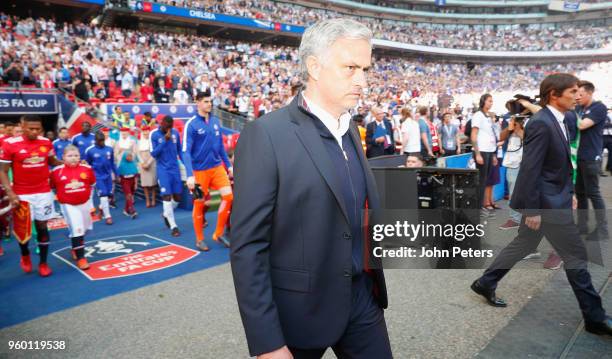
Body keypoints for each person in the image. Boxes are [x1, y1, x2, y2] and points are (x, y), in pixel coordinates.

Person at [231, 19, 391, 358]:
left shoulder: (349, 130)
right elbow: (248, 246)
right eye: (350, 68)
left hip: (361, 299)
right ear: (314, 67)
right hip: (298, 313)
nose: (362, 81)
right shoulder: (266, 135)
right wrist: (267, 343)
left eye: (365, 69)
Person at [471, 73, 612, 337]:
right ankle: (595, 317)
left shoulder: (564, 118)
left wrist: (568, 191)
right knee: (576, 256)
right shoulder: (541, 124)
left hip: (555, 197)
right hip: (546, 205)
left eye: (579, 91)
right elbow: (530, 169)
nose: (577, 95)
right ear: (554, 95)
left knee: (523, 244)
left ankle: (485, 282)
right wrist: (532, 210)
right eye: (572, 91)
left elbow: (558, 164)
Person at [0, 115, 62, 277]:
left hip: (44, 192)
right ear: (22, 125)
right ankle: (25, 255)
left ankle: (43, 262)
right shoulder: (9, 144)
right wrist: (10, 192)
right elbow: (2, 171)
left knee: (42, 226)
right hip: (22, 195)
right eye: (30, 128)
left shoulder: (45, 142)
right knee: (23, 230)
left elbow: (52, 161)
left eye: (38, 129)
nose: (35, 132)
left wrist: (70, 162)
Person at [183, 90, 233, 250]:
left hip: (217, 168)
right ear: (197, 103)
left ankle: (218, 234)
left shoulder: (216, 122)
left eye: (210, 101)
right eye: (205, 101)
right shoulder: (191, 125)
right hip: (199, 172)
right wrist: (190, 175)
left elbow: (220, 148)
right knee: (199, 203)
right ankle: (199, 239)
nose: (209, 104)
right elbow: (185, 151)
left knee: (229, 197)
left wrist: (229, 166)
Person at [50, 145, 95, 270]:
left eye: (76, 155)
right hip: (68, 205)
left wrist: (90, 203)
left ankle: (75, 248)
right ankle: (81, 258)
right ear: (63, 157)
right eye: (70, 156)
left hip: (84, 203)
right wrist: (59, 197)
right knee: (77, 229)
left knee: (85, 229)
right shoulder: (56, 171)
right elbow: (52, 186)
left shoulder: (87, 168)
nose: (73, 158)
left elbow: (91, 183)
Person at [574, 80, 609, 241]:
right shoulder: (579, 108)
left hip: (591, 157)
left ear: (589, 93)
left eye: (580, 94)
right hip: (579, 156)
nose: (577, 97)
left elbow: (581, 125)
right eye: (576, 94)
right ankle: (582, 225)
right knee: (580, 193)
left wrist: (568, 114)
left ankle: (602, 230)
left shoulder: (599, 107)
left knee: (593, 193)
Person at [150, 116, 183, 237]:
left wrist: (186, 165)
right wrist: (164, 141)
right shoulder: (154, 134)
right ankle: (174, 226)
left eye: (171, 127)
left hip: (175, 169)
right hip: (163, 170)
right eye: (167, 126)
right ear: (162, 123)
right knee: (167, 197)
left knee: (178, 197)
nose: (169, 129)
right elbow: (153, 153)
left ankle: (166, 214)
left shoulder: (175, 133)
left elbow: (180, 150)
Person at [471, 94, 498, 218]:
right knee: (480, 182)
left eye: (492, 101)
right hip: (481, 151)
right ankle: (477, 208)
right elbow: (474, 134)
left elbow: (491, 136)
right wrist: (477, 153)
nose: (491, 103)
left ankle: (481, 207)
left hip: (488, 151)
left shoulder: (487, 116)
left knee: (484, 181)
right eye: (489, 101)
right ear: (483, 102)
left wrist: (492, 154)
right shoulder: (478, 115)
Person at [498, 116, 524, 230]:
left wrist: (518, 128)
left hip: (528, 162)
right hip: (513, 162)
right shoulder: (510, 121)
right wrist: (510, 128)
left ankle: (527, 217)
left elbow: (528, 138)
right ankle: (515, 219)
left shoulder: (532, 120)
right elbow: (501, 137)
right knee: (513, 191)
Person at [85, 132, 116, 225]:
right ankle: (108, 217)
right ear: (95, 141)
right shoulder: (90, 150)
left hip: (108, 176)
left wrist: (117, 174)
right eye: (100, 141)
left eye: (103, 140)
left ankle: (102, 207)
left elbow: (112, 163)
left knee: (109, 195)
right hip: (98, 177)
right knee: (103, 196)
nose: (102, 142)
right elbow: (88, 164)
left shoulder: (109, 149)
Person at [116, 128, 139, 218]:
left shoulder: (132, 142)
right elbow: (115, 155)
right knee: (128, 194)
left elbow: (135, 153)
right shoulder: (118, 143)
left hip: (132, 172)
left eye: (125, 132)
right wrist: (120, 152)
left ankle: (126, 209)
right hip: (123, 173)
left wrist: (131, 157)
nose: (124, 134)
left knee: (131, 193)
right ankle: (132, 210)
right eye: (122, 132)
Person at [137, 126, 157, 208]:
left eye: (147, 132)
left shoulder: (152, 141)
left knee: (153, 183)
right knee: (145, 184)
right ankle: (148, 200)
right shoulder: (139, 142)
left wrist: (148, 163)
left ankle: (153, 200)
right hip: (142, 163)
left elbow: (154, 153)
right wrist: (142, 163)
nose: (146, 133)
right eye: (144, 132)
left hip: (151, 162)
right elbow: (137, 154)